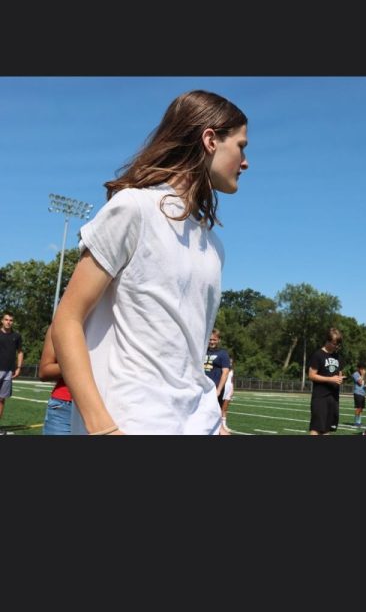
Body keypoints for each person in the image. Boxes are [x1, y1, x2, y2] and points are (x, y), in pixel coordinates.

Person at [51, 89, 248, 435]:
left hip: (197, 423)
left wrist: (210, 420)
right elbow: (67, 319)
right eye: (242, 146)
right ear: (210, 140)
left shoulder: (214, 245)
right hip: (130, 422)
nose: (246, 162)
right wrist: (102, 427)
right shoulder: (134, 208)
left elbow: (185, 349)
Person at [307, 327, 344, 435]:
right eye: (334, 343)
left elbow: (339, 373)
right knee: (316, 428)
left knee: (328, 428)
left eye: (338, 344)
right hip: (320, 397)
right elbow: (311, 375)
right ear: (327, 341)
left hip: (334, 397)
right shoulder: (318, 355)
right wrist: (330, 379)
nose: (336, 346)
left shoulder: (338, 356)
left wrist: (340, 378)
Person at [39, 324, 73, 435]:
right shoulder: (59, 325)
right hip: (65, 406)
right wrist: (79, 363)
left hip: (111, 404)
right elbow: (44, 371)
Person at [0, 312, 24, 427]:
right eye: (6, 319)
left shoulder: (17, 336)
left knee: (1, 400)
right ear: (2, 321)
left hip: (8, 372)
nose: (8, 322)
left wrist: (18, 367)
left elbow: (20, 352)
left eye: (11, 320)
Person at [204, 328, 231, 410]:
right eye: (210, 339)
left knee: (213, 413)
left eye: (214, 340)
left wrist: (218, 390)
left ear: (219, 340)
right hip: (202, 387)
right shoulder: (203, 351)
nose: (212, 342)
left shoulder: (223, 353)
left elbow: (225, 373)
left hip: (214, 388)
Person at [351, 362, 366, 430]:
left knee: (361, 409)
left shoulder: (363, 375)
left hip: (363, 393)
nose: (363, 370)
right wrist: (362, 375)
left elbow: (362, 384)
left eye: (363, 369)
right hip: (357, 393)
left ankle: (359, 421)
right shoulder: (355, 374)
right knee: (358, 408)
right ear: (358, 369)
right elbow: (359, 382)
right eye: (361, 369)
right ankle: (356, 422)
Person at [220, 355, 235, 433]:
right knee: (219, 407)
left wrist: (232, 390)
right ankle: (219, 425)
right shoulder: (222, 369)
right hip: (223, 388)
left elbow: (232, 381)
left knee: (225, 408)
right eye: (229, 361)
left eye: (231, 362)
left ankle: (224, 425)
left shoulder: (232, 370)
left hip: (229, 389)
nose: (230, 363)